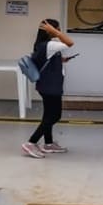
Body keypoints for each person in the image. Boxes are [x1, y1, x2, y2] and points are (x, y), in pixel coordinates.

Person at [22, 19, 75, 157]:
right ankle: (31, 142)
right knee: (54, 116)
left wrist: (61, 60)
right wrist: (56, 32)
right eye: (57, 28)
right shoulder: (50, 44)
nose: (59, 31)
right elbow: (70, 42)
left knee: (48, 115)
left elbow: (45, 59)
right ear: (49, 30)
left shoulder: (42, 44)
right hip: (51, 86)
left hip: (47, 84)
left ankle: (48, 143)